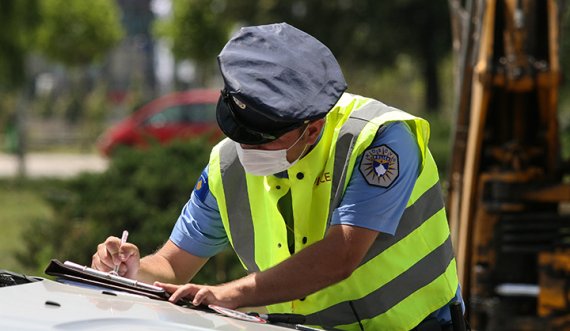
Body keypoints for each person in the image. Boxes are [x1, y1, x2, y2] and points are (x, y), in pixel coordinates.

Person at [92, 22, 463, 331]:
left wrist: (229, 293)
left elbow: (342, 254)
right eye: (237, 135)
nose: (245, 150)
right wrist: (134, 271)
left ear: (312, 130)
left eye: (262, 140)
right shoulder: (226, 165)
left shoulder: (381, 138)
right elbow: (174, 264)